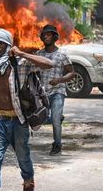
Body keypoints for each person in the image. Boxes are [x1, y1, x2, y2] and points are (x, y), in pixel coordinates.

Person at [0, 28, 53, 191]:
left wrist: (22, 53)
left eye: (2, 43)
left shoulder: (20, 63)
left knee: (23, 156)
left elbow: (48, 64)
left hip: (18, 120)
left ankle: (28, 180)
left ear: (9, 45)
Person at [37, 25, 74, 156]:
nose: (46, 36)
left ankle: (57, 145)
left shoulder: (62, 54)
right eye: (44, 35)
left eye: (49, 34)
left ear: (54, 37)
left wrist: (59, 80)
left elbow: (71, 72)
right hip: (43, 93)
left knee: (55, 120)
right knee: (39, 118)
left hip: (58, 91)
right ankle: (57, 117)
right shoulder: (39, 54)